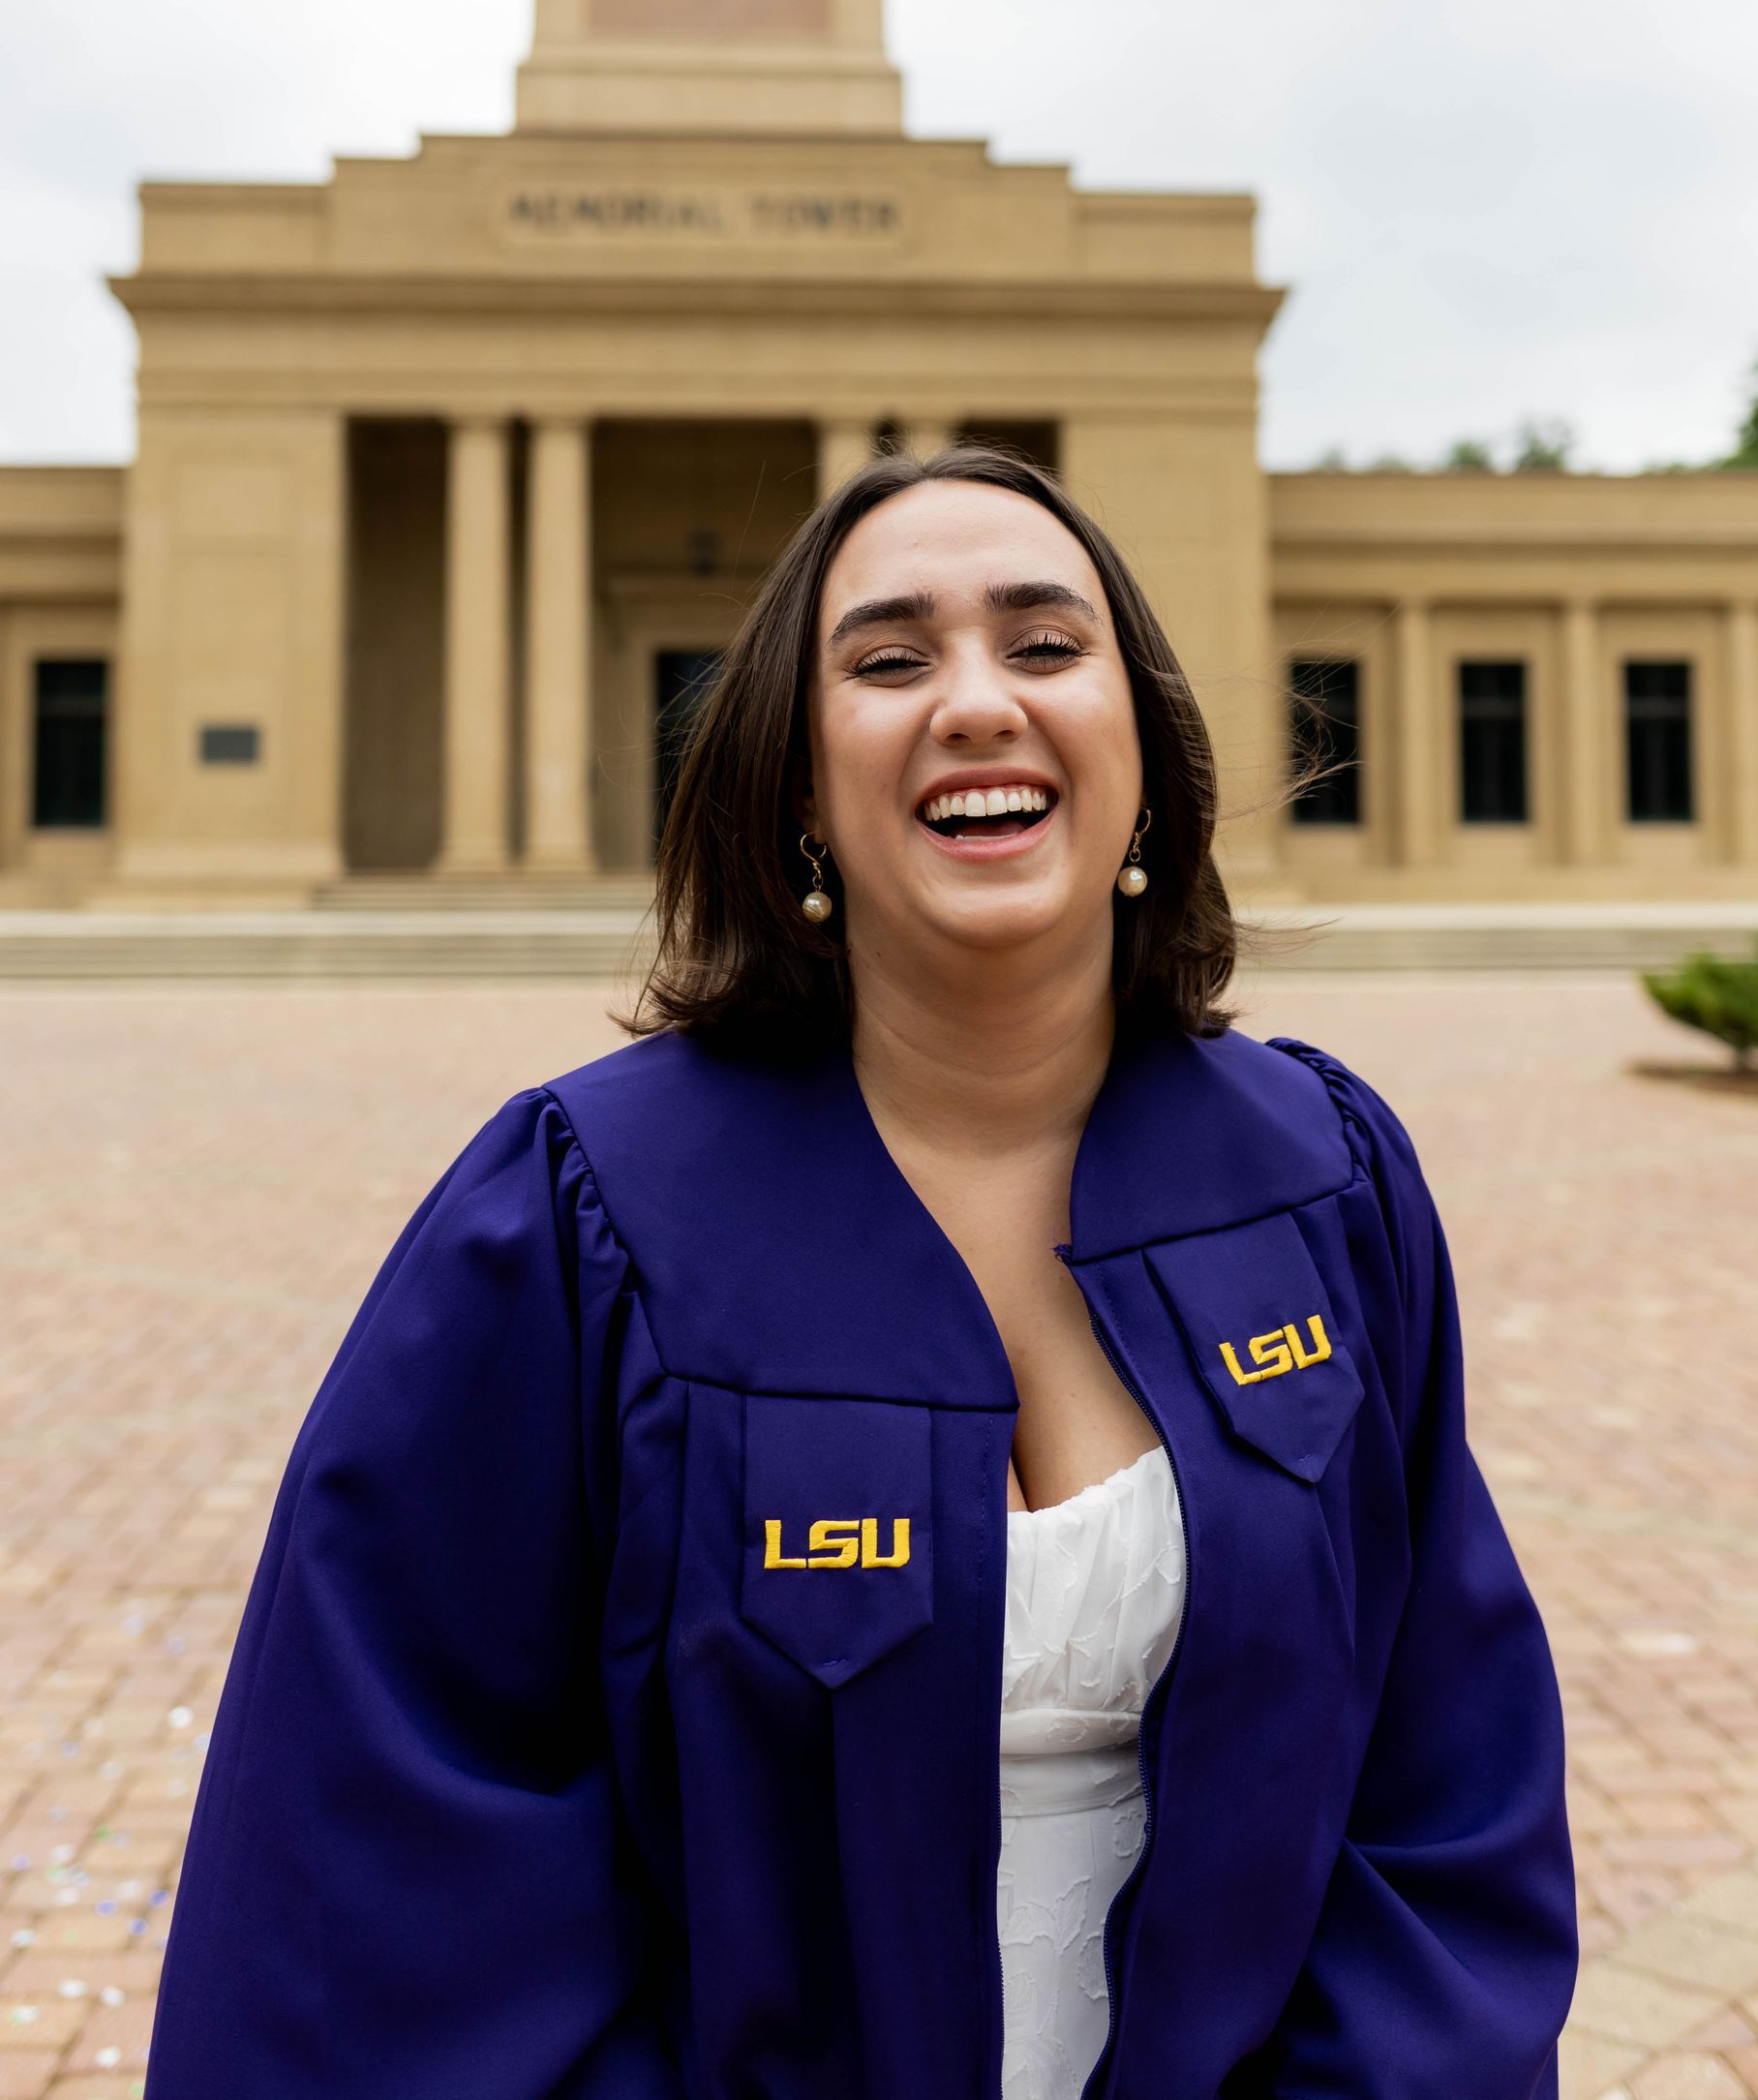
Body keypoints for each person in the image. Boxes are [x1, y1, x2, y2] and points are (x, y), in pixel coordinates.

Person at [144, 444, 1577, 2099]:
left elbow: (1442, 1773)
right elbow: (384, 1847)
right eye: (890, 660)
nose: (977, 702)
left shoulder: (1321, 1181)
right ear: (797, 792)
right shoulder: (577, 1223)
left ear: (1146, 757)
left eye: (1046, 646)